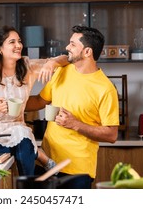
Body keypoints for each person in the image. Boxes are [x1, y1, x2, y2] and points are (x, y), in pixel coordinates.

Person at [26, 24, 119, 188]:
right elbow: (40, 101)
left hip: (77, 170)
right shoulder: (63, 71)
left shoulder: (105, 88)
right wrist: (8, 102)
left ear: (87, 52)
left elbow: (111, 135)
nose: (67, 47)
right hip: (46, 162)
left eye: (73, 44)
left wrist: (75, 124)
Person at [0, 25, 69, 176]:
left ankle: (26, 185)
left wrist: (51, 63)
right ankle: (40, 156)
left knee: (22, 136)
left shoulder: (28, 67)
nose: (18, 46)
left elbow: (67, 58)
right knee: (24, 145)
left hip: (18, 133)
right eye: (12, 42)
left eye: (19, 41)